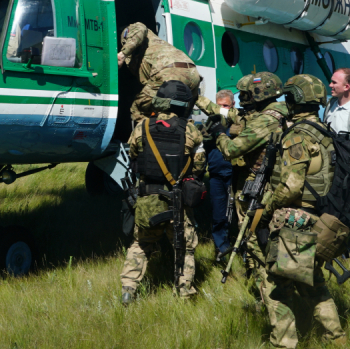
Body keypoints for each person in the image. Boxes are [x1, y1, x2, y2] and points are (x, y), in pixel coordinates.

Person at [252, 74, 346, 349]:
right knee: (312, 282)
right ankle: (336, 338)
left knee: (274, 283)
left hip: (295, 220)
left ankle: (283, 348)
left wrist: (266, 212)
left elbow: (291, 187)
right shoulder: (324, 131)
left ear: (292, 98)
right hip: (318, 219)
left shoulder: (298, 136)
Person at [121, 80, 206, 303]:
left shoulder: (142, 127)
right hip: (178, 202)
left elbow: (133, 155)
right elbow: (199, 167)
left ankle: (128, 290)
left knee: (141, 245)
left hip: (148, 199)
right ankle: (185, 292)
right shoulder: (191, 131)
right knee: (185, 249)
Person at [207, 72, 288, 288]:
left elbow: (233, 150)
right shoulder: (283, 113)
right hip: (279, 183)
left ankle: (265, 286)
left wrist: (219, 134)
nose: (243, 99)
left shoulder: (265, 119)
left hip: (264, 185)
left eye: (245, 94)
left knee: (253, 234)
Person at [118, 22, 200, 123]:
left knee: (138, 108)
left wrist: (123, 54)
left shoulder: (133, 29)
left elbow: (140, 28)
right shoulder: (149, 47)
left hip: (169, 71)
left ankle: (149, 136)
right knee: (181, 117)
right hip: (193, 73)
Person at [205, 89, 236, 260]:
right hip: (216, 175)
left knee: (237, 214)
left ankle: (243, 250)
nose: (222, 109)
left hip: (234, 174)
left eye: (225, 105)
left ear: (233, 105)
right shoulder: (211, 126)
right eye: (219, 106)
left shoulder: (239, 125)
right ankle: (222, 250)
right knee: (218, 215)